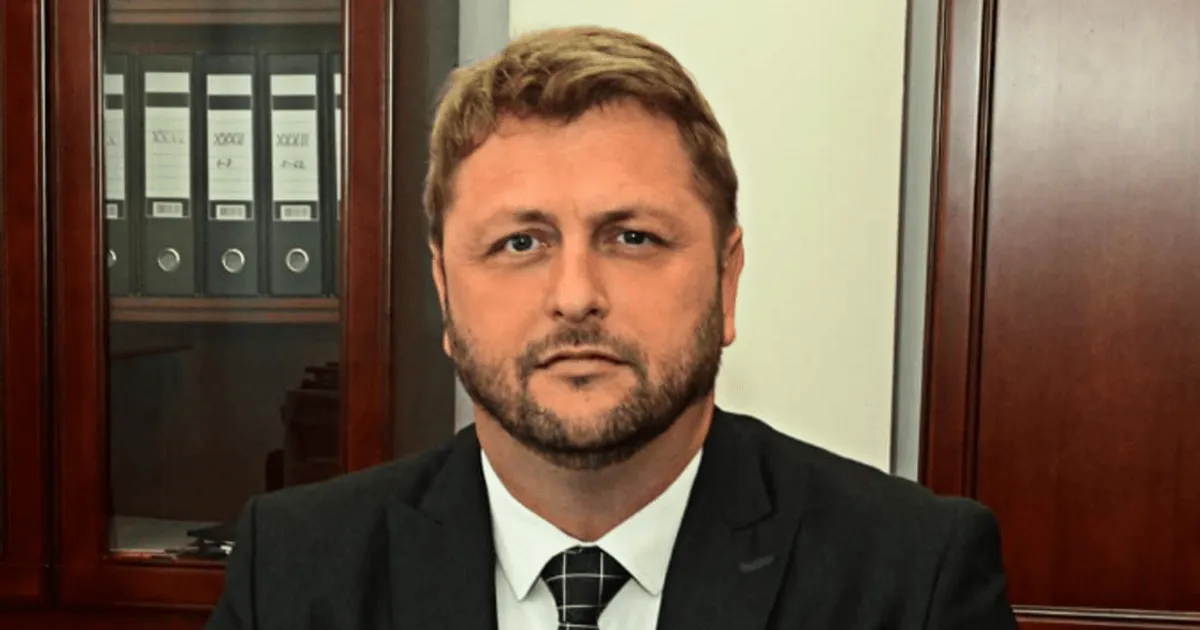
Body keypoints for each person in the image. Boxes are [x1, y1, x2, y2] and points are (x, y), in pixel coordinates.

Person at [205, 25, 1017, 630]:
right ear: (445, 293)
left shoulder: (913, 578)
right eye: (520, 243)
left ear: (726, 280)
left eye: (633, 238)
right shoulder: (295, 573)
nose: (575, 296)